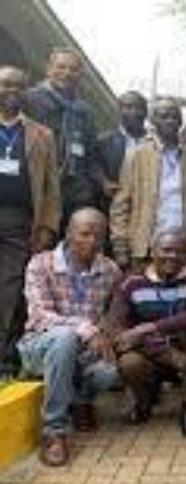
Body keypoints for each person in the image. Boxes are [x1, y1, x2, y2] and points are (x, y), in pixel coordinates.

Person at [17, 209, 121, 466]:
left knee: (109, 371)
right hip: (40, 347)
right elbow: (40, 315)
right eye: (84, 234)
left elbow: (114, 314)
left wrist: (107, 332)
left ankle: (81, 401)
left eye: (98, 236)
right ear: (68, 233)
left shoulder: (110, 270)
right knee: (65, 338)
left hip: (84, 353)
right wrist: (86, 329)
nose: (92, 241)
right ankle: (54, 430)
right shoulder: (41, 264)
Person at [109, 230, 186, 438]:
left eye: (179, 251)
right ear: (152, 252)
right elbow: (117, 331)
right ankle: (143, 403)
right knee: (129, 363)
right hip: (150, 355)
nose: (172, 256)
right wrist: (166, 353)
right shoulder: (130, 282)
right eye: (166, 250)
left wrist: (151, 327)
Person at [110, 97, 186, 271]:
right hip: (145, 248)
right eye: (164, 116)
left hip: (185, 248)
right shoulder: (136, 156)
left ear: (181, 121)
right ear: (153, 121)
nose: (170, 121)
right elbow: (121, 204)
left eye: (174, 116)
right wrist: (120, 245)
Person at [0, 66, 61, 366]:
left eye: (19, 86)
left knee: (10, 287)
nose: (12, 91)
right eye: (5, 84)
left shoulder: (42, 134)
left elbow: (52, 187)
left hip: (18, 219)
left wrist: (48, 226)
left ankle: (4, 354)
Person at [23, 49, 98, 224]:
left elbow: (91, 154)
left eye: (73, 69)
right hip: (38, 187)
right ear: (49, 69)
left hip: (75, 192)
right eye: (61, 67)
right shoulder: (29, 99)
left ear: (80, 75)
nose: (67, 73)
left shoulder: (85, 111)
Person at [94, 91, 148, 211]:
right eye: (128, 107)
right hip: (114, 206)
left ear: (146, 112)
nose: (134, 112)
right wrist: (104, 182)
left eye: (139, 108)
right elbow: (93, 165)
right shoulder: (104, 142)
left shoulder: (155, 143)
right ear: (119, 111)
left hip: (147, 205)